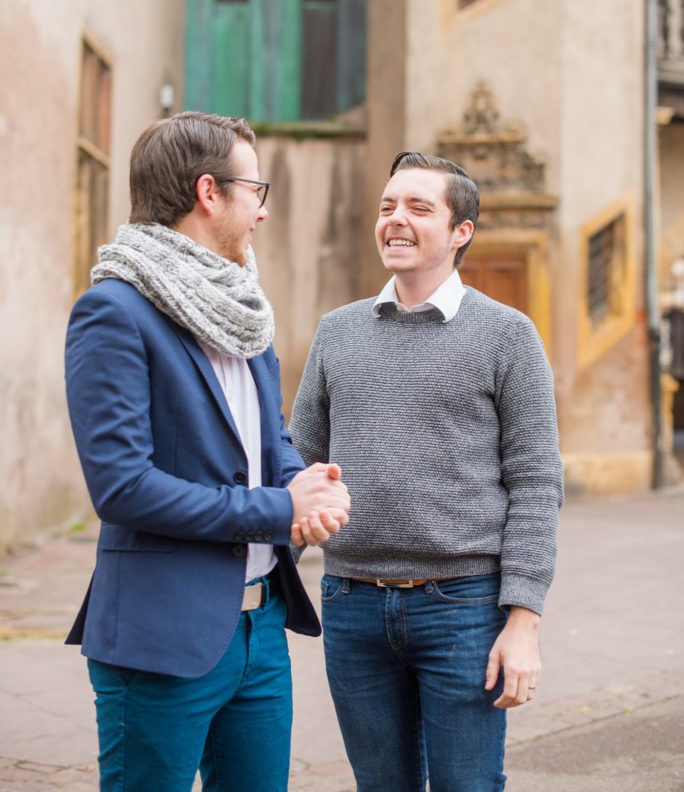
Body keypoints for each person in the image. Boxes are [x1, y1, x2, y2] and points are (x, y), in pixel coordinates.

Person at [65, 111, 350, 792]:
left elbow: (268, 442)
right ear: (209, 192)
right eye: (257, 190)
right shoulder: (115, 311)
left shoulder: (241, 306)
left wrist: (306, 486)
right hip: (161, 637)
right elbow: (123, 487)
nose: (262, 212)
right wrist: (276, 507)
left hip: (262, 634)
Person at [290, 151, 564, 792]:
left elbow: (536, 483)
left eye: (418, 207)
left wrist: (523, 621)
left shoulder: (508, 336)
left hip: (464, 607)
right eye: (388, 206)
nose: (396, 220)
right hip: (351, 604)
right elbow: (296, 460)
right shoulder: (338, 332)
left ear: (461, 231)